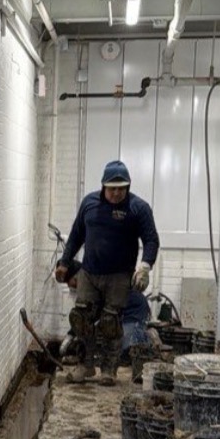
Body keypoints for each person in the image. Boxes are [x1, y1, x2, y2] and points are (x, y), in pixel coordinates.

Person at [54, 159, 160, 385]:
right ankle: (85, 366)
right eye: (113, 188)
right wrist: (64, 262)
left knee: (111, 321)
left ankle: (109, 370)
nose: (117, 193)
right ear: (103, 186)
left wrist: (145, 266)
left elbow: (151, 240)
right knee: (81, 318)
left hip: (119, 276)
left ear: (128, 187)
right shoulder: (89, 204)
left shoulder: (138, 208)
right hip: (89, 273)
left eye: (122, 188)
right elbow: (76, 235)